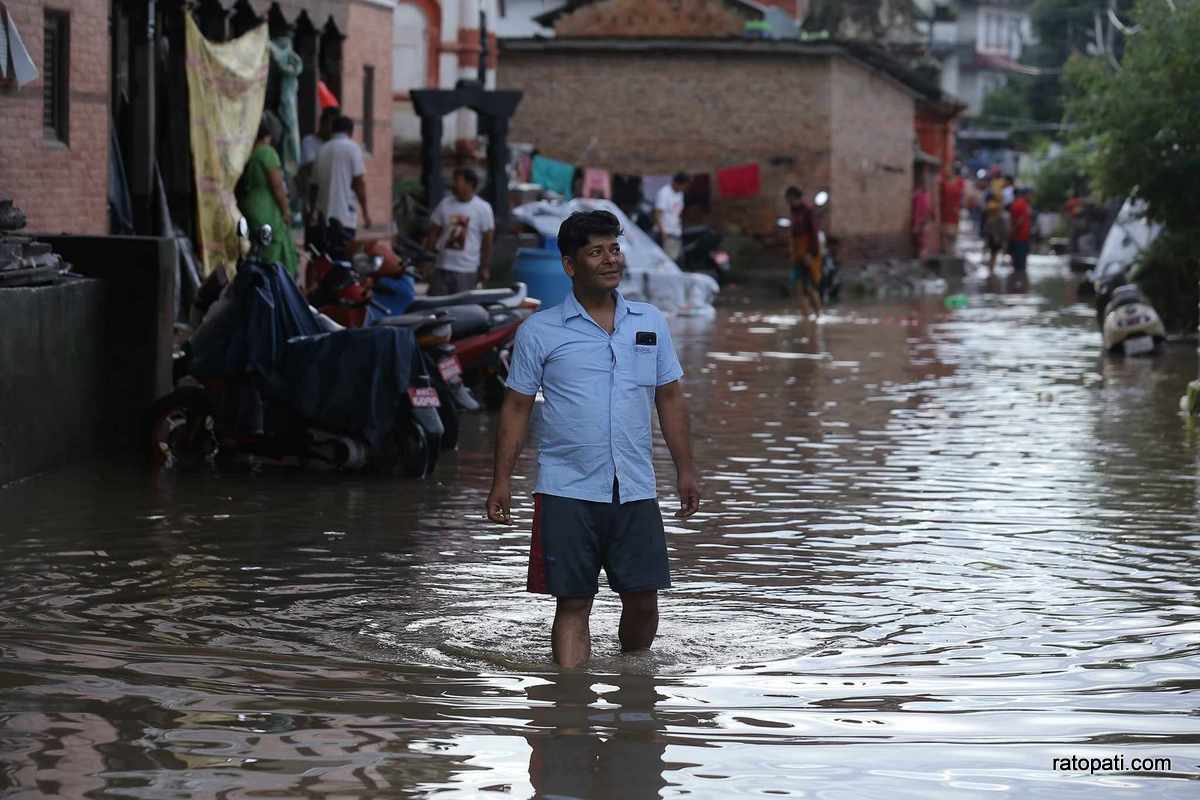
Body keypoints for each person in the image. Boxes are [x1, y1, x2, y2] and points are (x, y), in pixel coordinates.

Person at [485, 210, 700, 669]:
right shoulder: (540, 331)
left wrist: (686, 469)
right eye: (596, 251)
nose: (611, 260)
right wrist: (501, 480)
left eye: (615, 249)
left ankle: (633, 683)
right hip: (566, 488)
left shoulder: (649, 322)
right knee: (573, 603)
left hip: (636, 486)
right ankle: (568, 717)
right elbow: (517, 407)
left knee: (643, 600)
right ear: (569, 265)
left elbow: (670, 398)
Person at [236, 119, 299, 278]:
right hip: (266, 208)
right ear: (267, 136)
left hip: (248, 206)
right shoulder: (267, 152)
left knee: (256, 249)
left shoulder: (246, 152)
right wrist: (286, 211)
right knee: (272, 251)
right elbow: (277, 185)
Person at [423, 168, 495, 295]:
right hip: (442, 266)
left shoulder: (483, 208)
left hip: (466, 270)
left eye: (458, 181)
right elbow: (432, 234)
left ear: (470, 184)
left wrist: (485, 267)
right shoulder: (445, 204)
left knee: (462, 308)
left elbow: (487, 241)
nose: (454, 184)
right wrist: (427, 261)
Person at [312, 115, 370, 260]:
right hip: (345, 218)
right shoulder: (353, 148)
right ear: (350, 131)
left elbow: (314, 186)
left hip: (323, 217)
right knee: (344, 260)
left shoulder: (322, 149)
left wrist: (312, 211)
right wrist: (366, 213)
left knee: (326, 259)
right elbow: (359, 183)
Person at [298, 106, 339, 249]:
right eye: (330, 125)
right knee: (315, 243)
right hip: (313, 200)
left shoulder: (335, 145)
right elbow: (309, 168)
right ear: (322, 123)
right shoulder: (309, 141)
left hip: (333, 201)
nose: (332, 130)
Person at [785, 186, 821, 316]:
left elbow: (814, 234)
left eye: (789, 199)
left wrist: (811, 254)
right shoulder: (793, 212)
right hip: (797, 254)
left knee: (809, 286)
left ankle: (818, 315)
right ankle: (805, 316)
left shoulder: (807, 212)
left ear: (795, 198)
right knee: (798, 286)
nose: (788, 202)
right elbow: (793, 235)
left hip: (807, 254)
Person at [653, 172, 688, 263]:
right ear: (677, 183)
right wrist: (663, 232)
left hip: (675, 232)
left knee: (675, 259)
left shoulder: (680, 194)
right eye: (683, 185)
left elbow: (678, 212)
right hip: (666, 233)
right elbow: (657, 214)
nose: (684, 188)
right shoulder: (664, 193)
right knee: (668, 262)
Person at [939, 164, 965, 256]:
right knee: (944, 232)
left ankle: (951, 251)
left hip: (954, 211)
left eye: (948, 170)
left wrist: (960, 207)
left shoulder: (960, 182)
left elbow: (963, 196)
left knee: (953, 233)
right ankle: (946, 251)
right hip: (944, 211)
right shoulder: (943, 183)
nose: (947, 172)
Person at [1008, 187, 1033, 273]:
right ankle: (1019, 282)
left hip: (1021, 236)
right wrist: (1013, 232)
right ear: (1026, 195)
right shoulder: (1021, 204)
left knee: (1018, 263)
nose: (1031, 197)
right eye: (1030, 194)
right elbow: (1020, 221)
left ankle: (1017, 281)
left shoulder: (1021, 204)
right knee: (1020, 265)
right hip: (1020, 237)